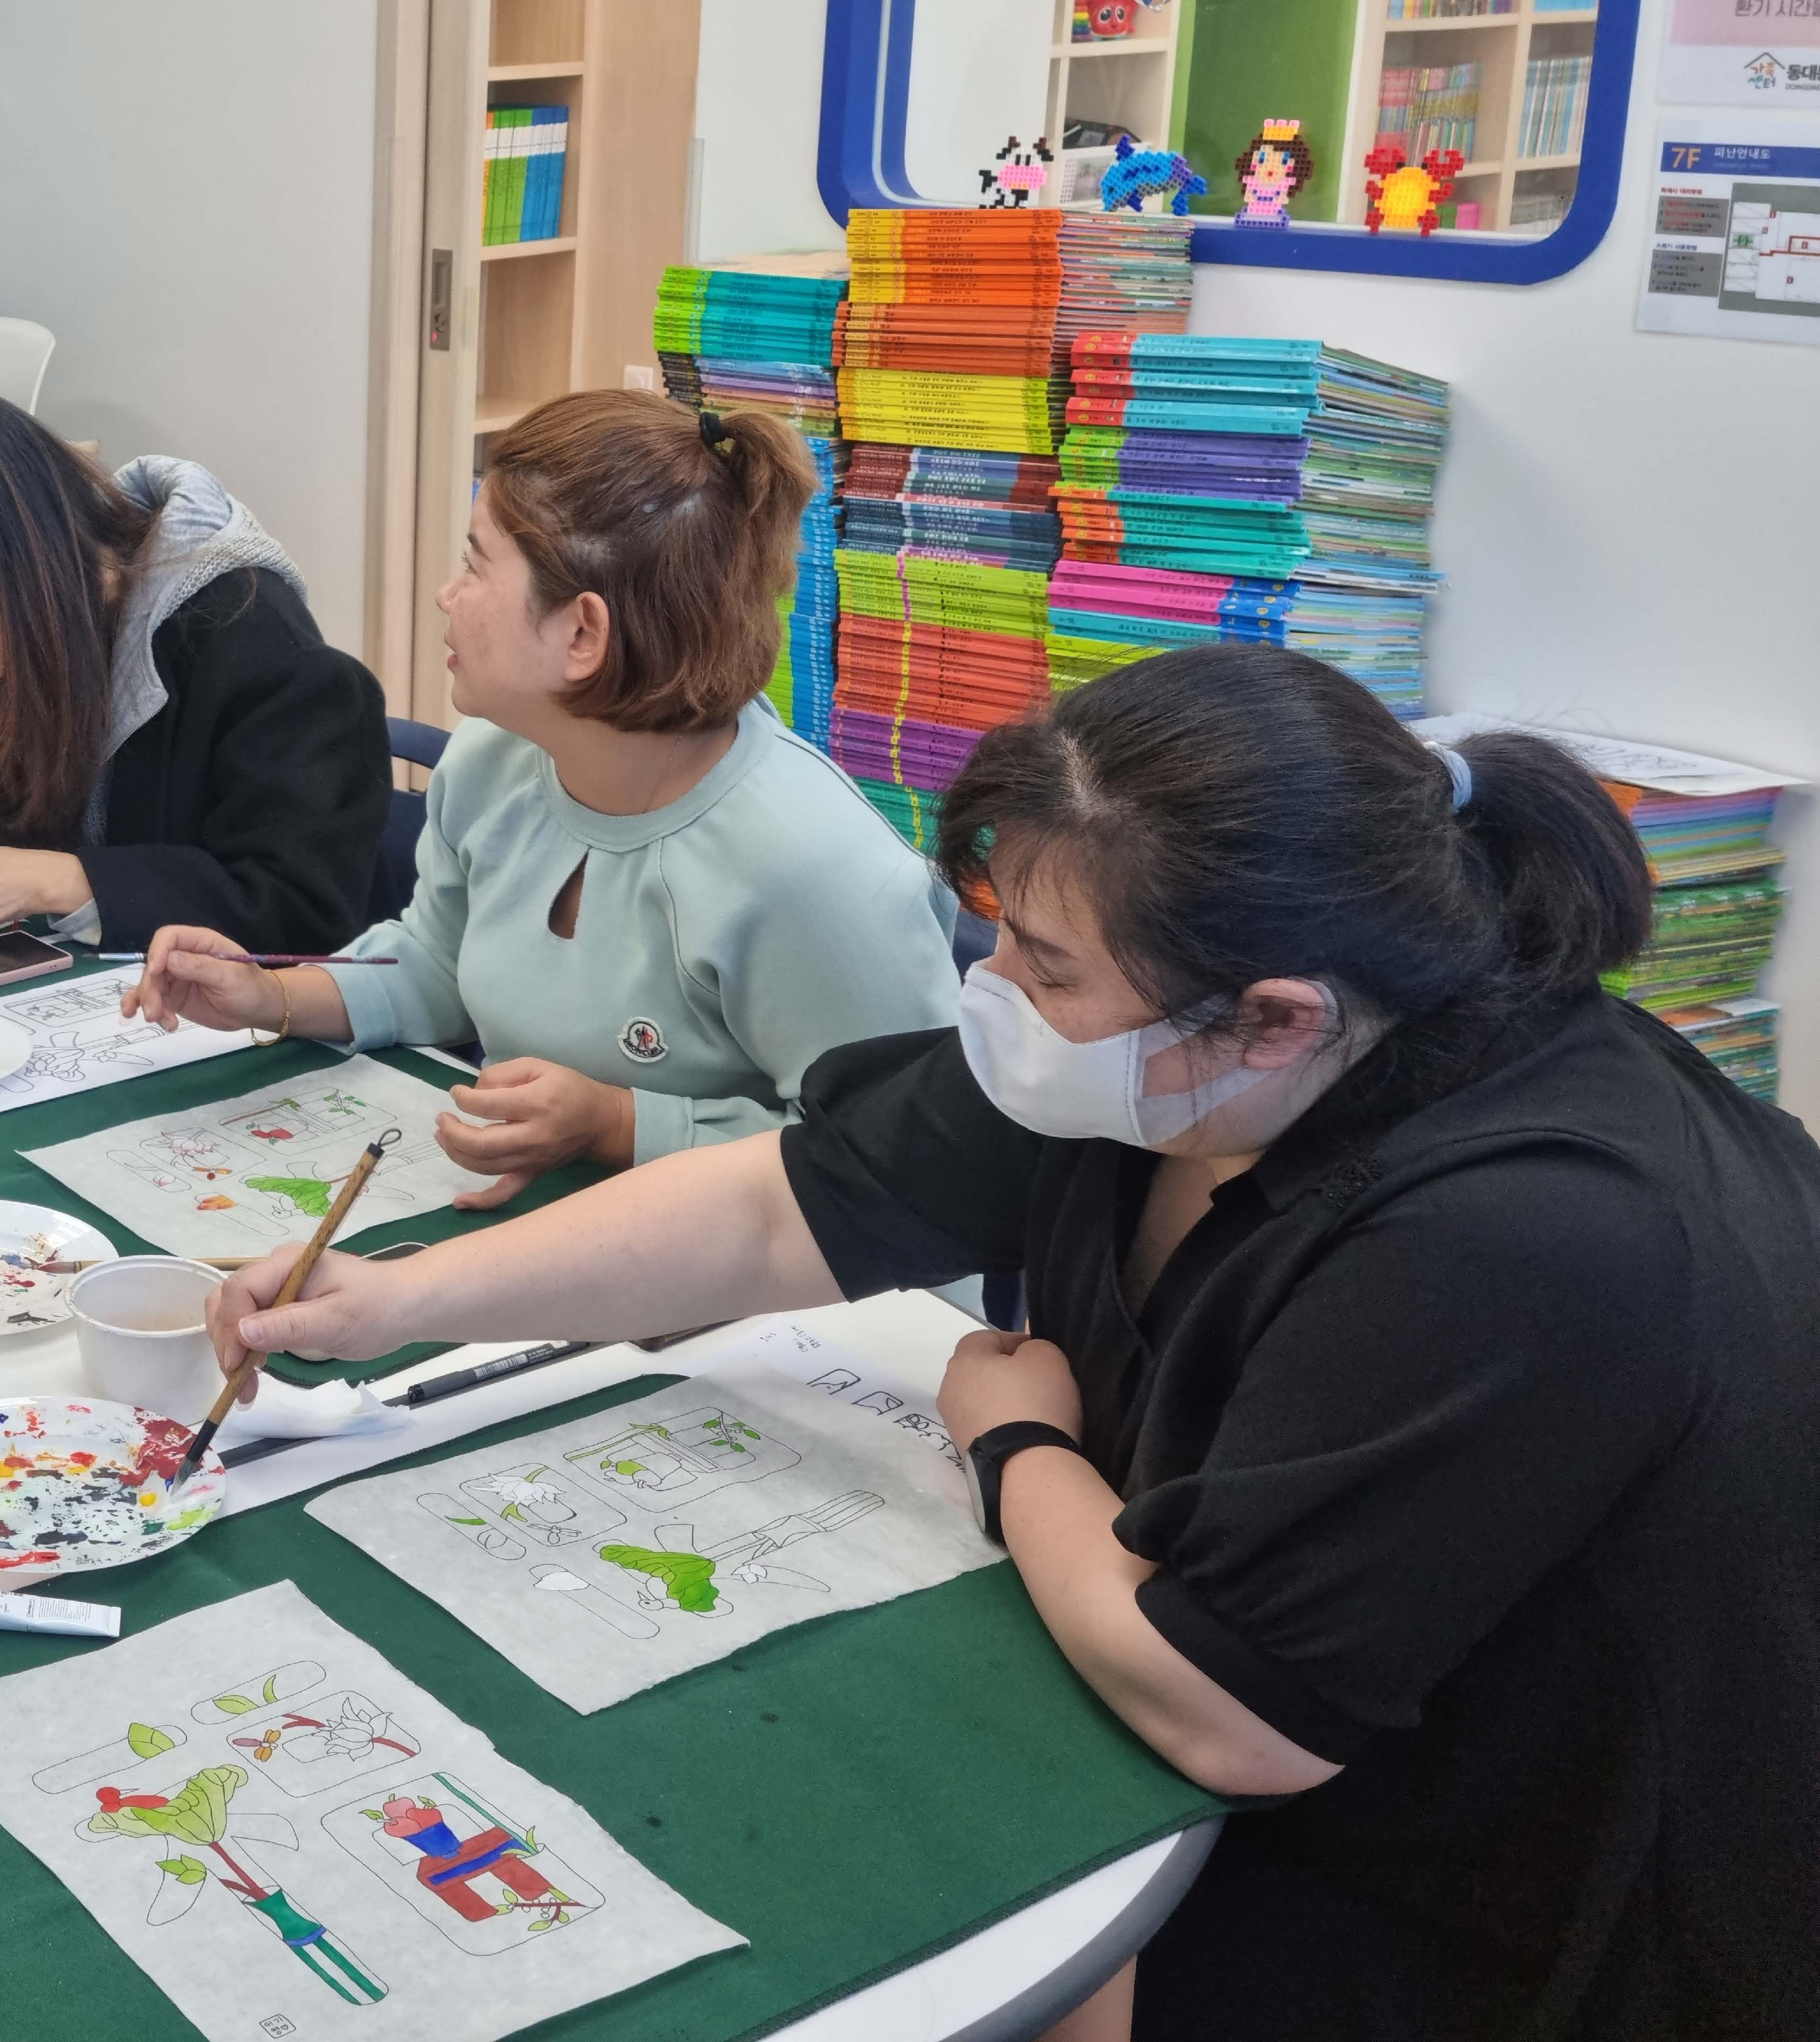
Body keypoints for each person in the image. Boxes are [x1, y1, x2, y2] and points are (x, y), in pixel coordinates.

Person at [199, 648, 1820, 2037]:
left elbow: (1232, 1715)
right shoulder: (1164, 1043)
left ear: (1275, 1014)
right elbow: (778, 1210)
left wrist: (1019, 1443)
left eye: (1044, 963)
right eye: (1002, 934)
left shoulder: (1523, 1230)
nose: (999, 992)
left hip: (1515, 1906)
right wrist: (392, 1300)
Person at [128, 391, 959, 1199]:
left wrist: (620, 1123)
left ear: (583, 634)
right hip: (582, 1236)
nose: (447, 596)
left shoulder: (814, 872)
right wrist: (271, 997)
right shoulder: (498, 759)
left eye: (473, 564)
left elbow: (905, 1168)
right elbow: (440, 960)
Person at [0, 381, 388, 946]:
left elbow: (299, 908)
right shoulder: (39, 624)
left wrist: (57, 880)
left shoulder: (253, 646)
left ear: (16, 561)